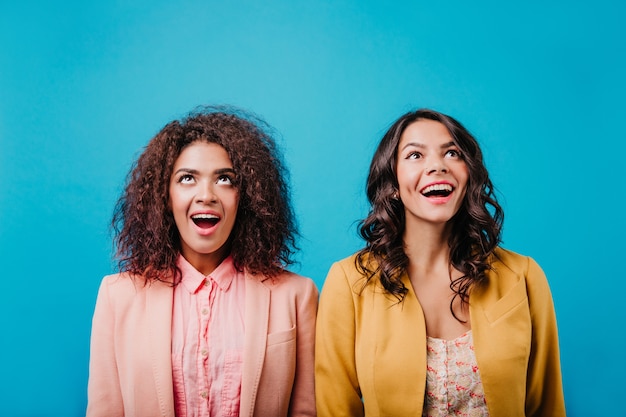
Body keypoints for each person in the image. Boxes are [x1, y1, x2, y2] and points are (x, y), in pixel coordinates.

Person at [315, 108, 566, 416]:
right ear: (392, 183)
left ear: (468, 174)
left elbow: (547, 407)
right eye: (415, 155)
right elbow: (335, 409)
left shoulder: (523, 276)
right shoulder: (348, 281)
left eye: (452, 153)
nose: (437, 165)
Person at [87, 106, 318, 417]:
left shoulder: (297, 295)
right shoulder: (118, 296)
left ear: (246, 196)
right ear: (164, 197)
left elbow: (307, 411)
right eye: (187, 178)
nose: (206, 195)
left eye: (224, 179)